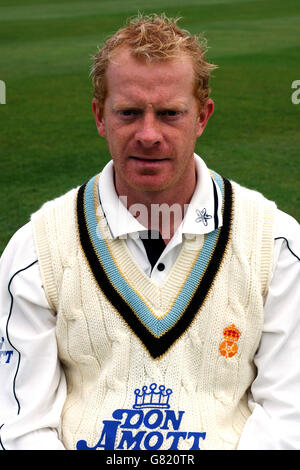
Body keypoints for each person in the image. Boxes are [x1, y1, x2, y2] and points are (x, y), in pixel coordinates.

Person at [0, 13, 299, 451]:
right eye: (129, 112)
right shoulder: (37, 250)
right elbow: (21, 424)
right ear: (100, 116)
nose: (148, 134)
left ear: (202, 117)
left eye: (170, 114)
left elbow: (288, 415)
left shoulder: (275, 245)